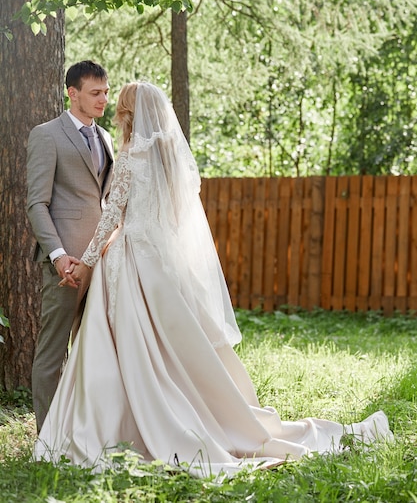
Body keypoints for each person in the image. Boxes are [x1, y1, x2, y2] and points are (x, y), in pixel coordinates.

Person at [34, 81, 392, 477]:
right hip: (159, 265)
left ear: (128, 115)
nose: (114, 111)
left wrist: (85, 261)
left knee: (123, 346)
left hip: (129, 258)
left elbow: (109, 220)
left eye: (118, 106)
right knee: (171, 349)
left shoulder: (131, 156)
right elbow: (173, 218)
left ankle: (120, 422)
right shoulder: (170, 157)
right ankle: (186, 412)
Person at [27, 60, 114, 433]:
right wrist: (59, 256)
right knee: (53, 353)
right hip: (66, 265)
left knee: (93, 349)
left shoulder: (107, 138)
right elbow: (36, 204)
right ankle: (48, 437)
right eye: (95, 93)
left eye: (106, 92)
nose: (103, 100)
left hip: (103, 261)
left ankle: (84, 430)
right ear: (72, 93)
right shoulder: (47, 135)